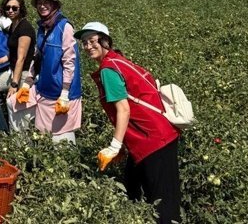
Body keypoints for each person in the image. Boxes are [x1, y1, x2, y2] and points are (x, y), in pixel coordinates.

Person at [78, 21, 182, 224]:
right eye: (84, 42)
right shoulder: (119, 60)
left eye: (92, 40)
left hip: (152, 140)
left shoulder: (108, 69)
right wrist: (125, 147)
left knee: (163, 203)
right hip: (155, 136)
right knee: (134, 187)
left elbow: (123, 109)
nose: (88, 46)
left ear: (104, 41)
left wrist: (114, 146)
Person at [17, 0, 82, 143]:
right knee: (16, 106)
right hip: (45, 89)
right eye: (39, 3)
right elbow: (37, 56)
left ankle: (66, 164)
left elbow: (69, 62)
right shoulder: (42, 27)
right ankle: (22, 146)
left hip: (62, 92)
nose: (42, 6)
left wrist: (65, 93)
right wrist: (27, 83)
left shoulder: (64, 27)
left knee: (61, 137)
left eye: (47, 3)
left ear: (55, 6)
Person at [0, 0, 37, 131]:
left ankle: (21, 141)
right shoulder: (12, 26)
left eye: (14, 8)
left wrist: (14, 84)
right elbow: (13, 53)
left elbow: (21, 58)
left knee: (18, 106)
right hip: (13, 70)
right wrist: (1, 60)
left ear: (21, 9)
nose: (10, 10)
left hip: (24, 73)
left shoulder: (25, 28)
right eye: (8, 7)